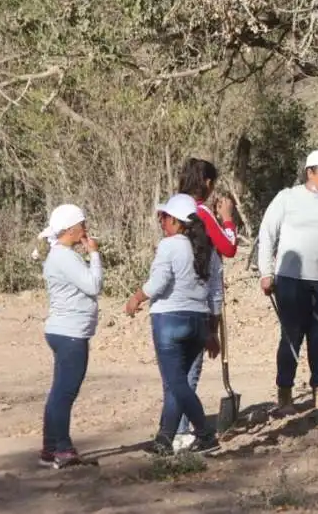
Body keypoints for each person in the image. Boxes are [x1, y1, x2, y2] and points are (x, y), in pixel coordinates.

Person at [124, 193, 222, 455]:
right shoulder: (207, 248)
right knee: (179, 382)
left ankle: (204, 432)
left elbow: (157, 284)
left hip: (169, 319)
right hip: (199, 320)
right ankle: (165, 438)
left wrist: (136, 297)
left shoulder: (170, 246)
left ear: (178, 222)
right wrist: (213, 330)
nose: (162, 221)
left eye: (165, 217)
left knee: (175, 382)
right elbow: (215, 291)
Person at [257, 149, 318, 413]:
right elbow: (267, 233)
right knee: (291, 337)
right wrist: (265, 272)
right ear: (310, 172)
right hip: (291, 280)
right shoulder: (287, 197)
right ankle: (285, 395)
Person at [173, 158, 238, 451]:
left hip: (172, 297)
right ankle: (181, 430)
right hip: (199, 297)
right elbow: (228, 247)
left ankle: (174, 428)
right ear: (208, 184)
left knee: (175, 369)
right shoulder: (200, 212)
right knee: (190, 370)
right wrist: (226, 217)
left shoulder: (170, 209)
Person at [38, 204, 103, 469]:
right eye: (82, 225)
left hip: (63, 330)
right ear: (71, 229)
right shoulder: (64, 257)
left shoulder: (60, 255)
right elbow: (93, 285)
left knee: (58, 391)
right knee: (65, 392)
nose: (86, 229)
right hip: (70, 333)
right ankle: (62, 449)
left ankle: (50, 447)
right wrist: (95, 255)